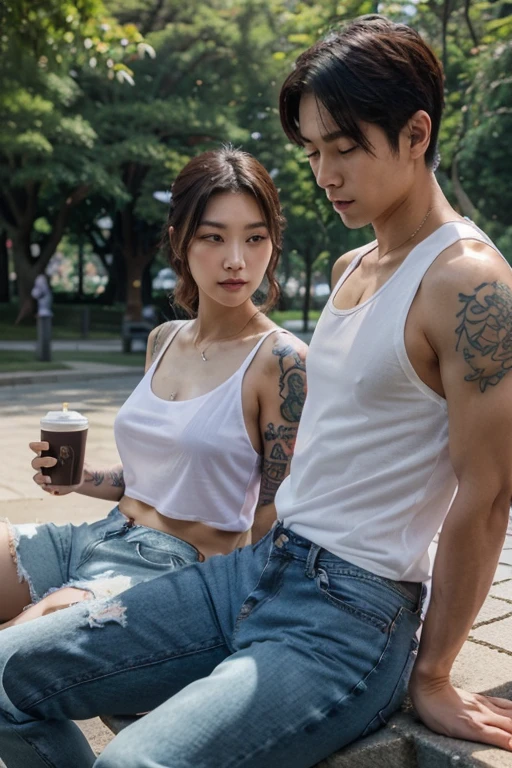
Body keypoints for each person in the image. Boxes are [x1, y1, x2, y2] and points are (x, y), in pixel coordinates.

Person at [1, 15, 512, 768]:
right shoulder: (351, 268)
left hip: (351, 614)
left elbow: (490, 493)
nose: (324, 173)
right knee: (7, 675)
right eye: (311, 151)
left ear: (415, 134)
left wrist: (433, 672)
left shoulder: (468, 282)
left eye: (344, 147)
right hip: (260, 567)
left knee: (131, 763)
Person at [0, 147, 307, 629]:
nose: (236, 260)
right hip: (99, 536)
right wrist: (79, 477)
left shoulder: (281, 360)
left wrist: (247, 629)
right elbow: (155, 474)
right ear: (179, 241)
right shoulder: (164, 340)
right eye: (213, 237)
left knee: (16, 646)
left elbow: (275, 514)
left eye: (255, 238)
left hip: (173, 568)